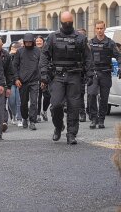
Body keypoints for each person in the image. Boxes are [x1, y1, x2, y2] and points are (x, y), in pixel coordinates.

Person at [40, 11, 94, 145]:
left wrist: (90, 74)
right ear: (61, 23)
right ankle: (58, 126)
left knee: (74, 106)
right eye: (66, 23)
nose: (68, 25)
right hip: (57, 76)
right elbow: (44, 56)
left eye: (70, 23)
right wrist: (43, 74)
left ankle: (71, 134)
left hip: (74, 75)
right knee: (56, 105)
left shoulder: (80, 38)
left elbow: (88, 57)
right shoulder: (52, 37)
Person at [88, 20, 121, 129]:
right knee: (92, 95)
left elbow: (119, 56)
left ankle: (101, 119)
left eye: (101, 28)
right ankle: (93, 118)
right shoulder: (90, 43)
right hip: (93, 73)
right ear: (95, 29)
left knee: (104, 98)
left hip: (105, 72)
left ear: (104, 29)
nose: (99, 30)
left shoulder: (110, 43)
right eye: (97, 28)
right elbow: (85, 58)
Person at [13, 33, 40, 131]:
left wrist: (42, 79)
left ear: (33, 42)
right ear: (24, 42)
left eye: (30, 42)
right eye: (26, 42)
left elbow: (41, 65)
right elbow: (14, 66)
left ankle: (32, 121)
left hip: (34, 80)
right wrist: (16, 79)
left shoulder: (37, 51)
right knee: (23, 102)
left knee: (34, 102)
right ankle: (24, 118)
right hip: (22, 81)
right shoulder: (19, 51)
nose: (28, 43)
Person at [0, 37, 14, 141]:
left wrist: (8, 87)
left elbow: (9, 72)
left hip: (0, 84)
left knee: (0, 108)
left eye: (0, 49)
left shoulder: (6, 55)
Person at [35, 36, 50, 122]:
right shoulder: (33, 51)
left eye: (40, 41)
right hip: (36, 77)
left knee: (48, 96)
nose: (39, 42)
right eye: (37, 41)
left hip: (46, 76)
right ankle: (37, 115)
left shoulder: (46, 51)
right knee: (38, 97)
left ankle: (44, 111)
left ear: (43, 42)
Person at [7, 42, 22, 125]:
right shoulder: (7, 56)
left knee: (19, 100)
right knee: (11, 100)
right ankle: (13, 114)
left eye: (16, 48)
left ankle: (19, 118)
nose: (14, 50)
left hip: (20, 80)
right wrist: (10, 56)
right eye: (13, 48)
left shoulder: (22, 56)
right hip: (10, 81)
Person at [77, 28, 88, 122]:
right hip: (73, 72)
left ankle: (82, 113)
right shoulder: (73, 45)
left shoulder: (88, 47)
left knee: (81, 94)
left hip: (83, 73)